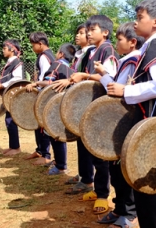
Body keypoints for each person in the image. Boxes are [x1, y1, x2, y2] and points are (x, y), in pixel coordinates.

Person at [108, 0, 156, 228]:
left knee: (150, 182)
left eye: (140, 18)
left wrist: (126, 90)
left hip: (152, 123)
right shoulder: (148, 46)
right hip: (143, 121)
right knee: (142, 183)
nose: (136, 22)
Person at [96, 21, 144, 227]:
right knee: (115, 169)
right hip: (118, 122)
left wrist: (104, 76)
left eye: (119, 39)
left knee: (124, 170)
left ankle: (129, 213)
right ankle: (119, 208)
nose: (116, 43)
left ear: (132, 42)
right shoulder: (127, 60)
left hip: (127, 121)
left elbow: (121, 89)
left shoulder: (135, 61)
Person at [72, 15, 119, 216]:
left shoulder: (107, 49)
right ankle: (97, 190)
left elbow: (109, 79)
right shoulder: (93, 51)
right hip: (92, 107)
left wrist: (85, 76)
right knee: (92, 151)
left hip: (102, 110)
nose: (89, 33)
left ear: (105, 32)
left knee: (100, 155)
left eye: (93, 29)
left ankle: (103, 196)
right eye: (88, 29)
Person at [27, 43, 76, 175]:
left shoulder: (56, 65)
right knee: (59, 135)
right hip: (65, 105)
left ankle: (61, 166)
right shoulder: (72, 71)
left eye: (58, 51)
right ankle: (60, 162)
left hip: (53, 106)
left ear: (61, 54)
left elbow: (49, 83)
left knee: (54, 136)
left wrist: (37, 83)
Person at [61, 24, 95, 194]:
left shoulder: (92, 53)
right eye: (79, 32)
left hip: (87, 102)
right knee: (80, 143)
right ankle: (83, 175)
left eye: (82, 33)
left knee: (87, 144)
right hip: (79, 103)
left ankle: (88, 179)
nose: (78, 35)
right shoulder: (80, 55)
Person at [0, 39, 23, 156]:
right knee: (8, 121)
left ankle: (16, 147)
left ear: (12, 49)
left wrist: (1, 85)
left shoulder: (16, 62)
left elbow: (17, 78)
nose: (2, 51)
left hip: (13, 95)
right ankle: (13, 146)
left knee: (11, 121)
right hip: (9, 95)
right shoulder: (10, 61)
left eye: (4, 48)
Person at [26, 32, 55, 165]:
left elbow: (46, 79)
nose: (32, 48)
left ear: (40, 44)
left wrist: (35, 84)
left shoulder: (44, 57)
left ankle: (45, 154)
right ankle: (40, 150)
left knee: (42, 126)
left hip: (45, 94)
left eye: (33, 45)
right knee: (39, 125)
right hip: (43, 93)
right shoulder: (44, 55)